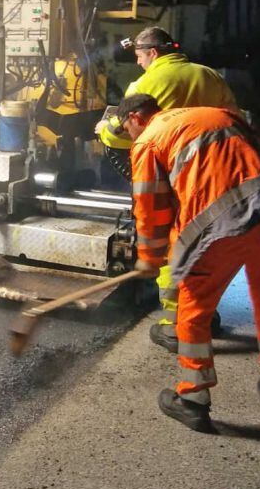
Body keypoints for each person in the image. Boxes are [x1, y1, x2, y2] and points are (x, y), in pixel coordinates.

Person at [118, 93, 260, 432]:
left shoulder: (148, 141)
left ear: (135, 118)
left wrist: (150, 258)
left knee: (193, 306)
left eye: (126, 129)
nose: (129, 137)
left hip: (222, 223)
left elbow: (152, 209)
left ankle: (193, 398)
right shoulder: (217, 113)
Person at [98, 27, 240, 352]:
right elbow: (233, 117)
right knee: (209, 246)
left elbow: (127, 134)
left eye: (139, 57)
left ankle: (176, 324)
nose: (139, 63)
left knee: (175, 245)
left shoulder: (146, 84)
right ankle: (206, 313)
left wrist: (104, 131)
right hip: (217, 175)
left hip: (174, 175)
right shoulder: (209, 76)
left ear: (152, 53)